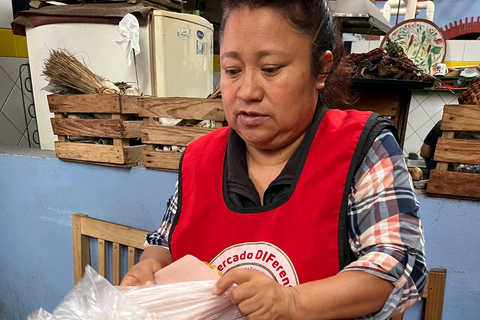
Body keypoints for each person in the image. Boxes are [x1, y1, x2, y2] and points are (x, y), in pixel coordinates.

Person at [121, 1, 427, 319]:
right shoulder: (200, 157)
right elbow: (165, 241)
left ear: (320, 69)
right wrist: (151, 265)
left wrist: (291, 302)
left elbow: (399, 265)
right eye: (232, 71)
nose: (248, 91)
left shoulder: (361, 147)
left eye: (270, 69)